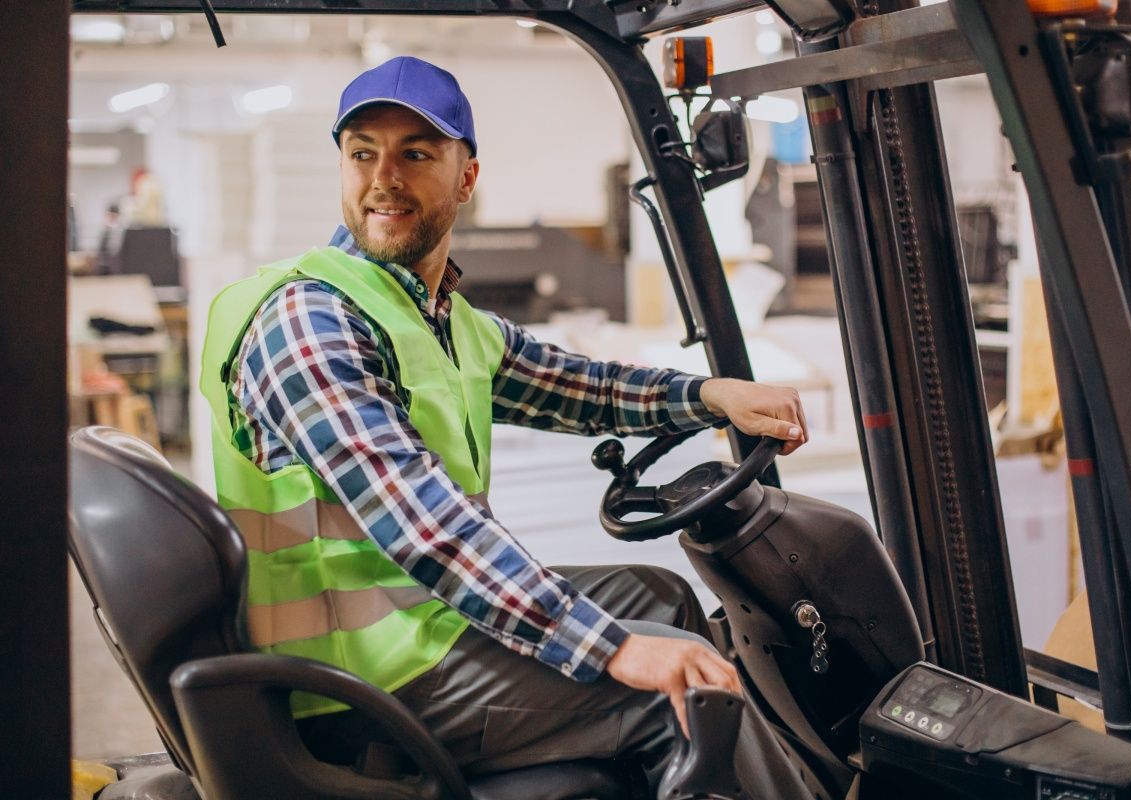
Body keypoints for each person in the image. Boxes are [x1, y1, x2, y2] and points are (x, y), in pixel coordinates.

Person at [199, 55, 812, 798]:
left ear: (466, 177)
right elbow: (426, 524)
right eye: (363, 153)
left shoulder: (435, 318)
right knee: (693, 691)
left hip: (418, 629)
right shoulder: (309, 321)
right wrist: (612, 650)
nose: (383, 177)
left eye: (415, 154)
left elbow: (578, 386)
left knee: (662, 599)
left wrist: (712, 394)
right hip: (351, 684)